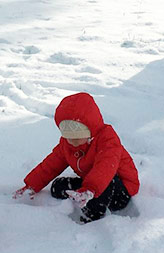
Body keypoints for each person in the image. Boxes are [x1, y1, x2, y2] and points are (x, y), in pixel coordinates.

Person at [14, 92, 139, 223]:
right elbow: (51, 164)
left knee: (105, 183)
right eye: (68, 137)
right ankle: (83, 193)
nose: (72, 142)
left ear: (90, 130)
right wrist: (32, 184)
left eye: (77, 138)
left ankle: (90, 218)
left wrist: (90, 188)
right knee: (57, 187)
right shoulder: (68, 144)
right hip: (92, 183)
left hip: (119, 191)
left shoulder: (107, 140)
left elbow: (106, 166)